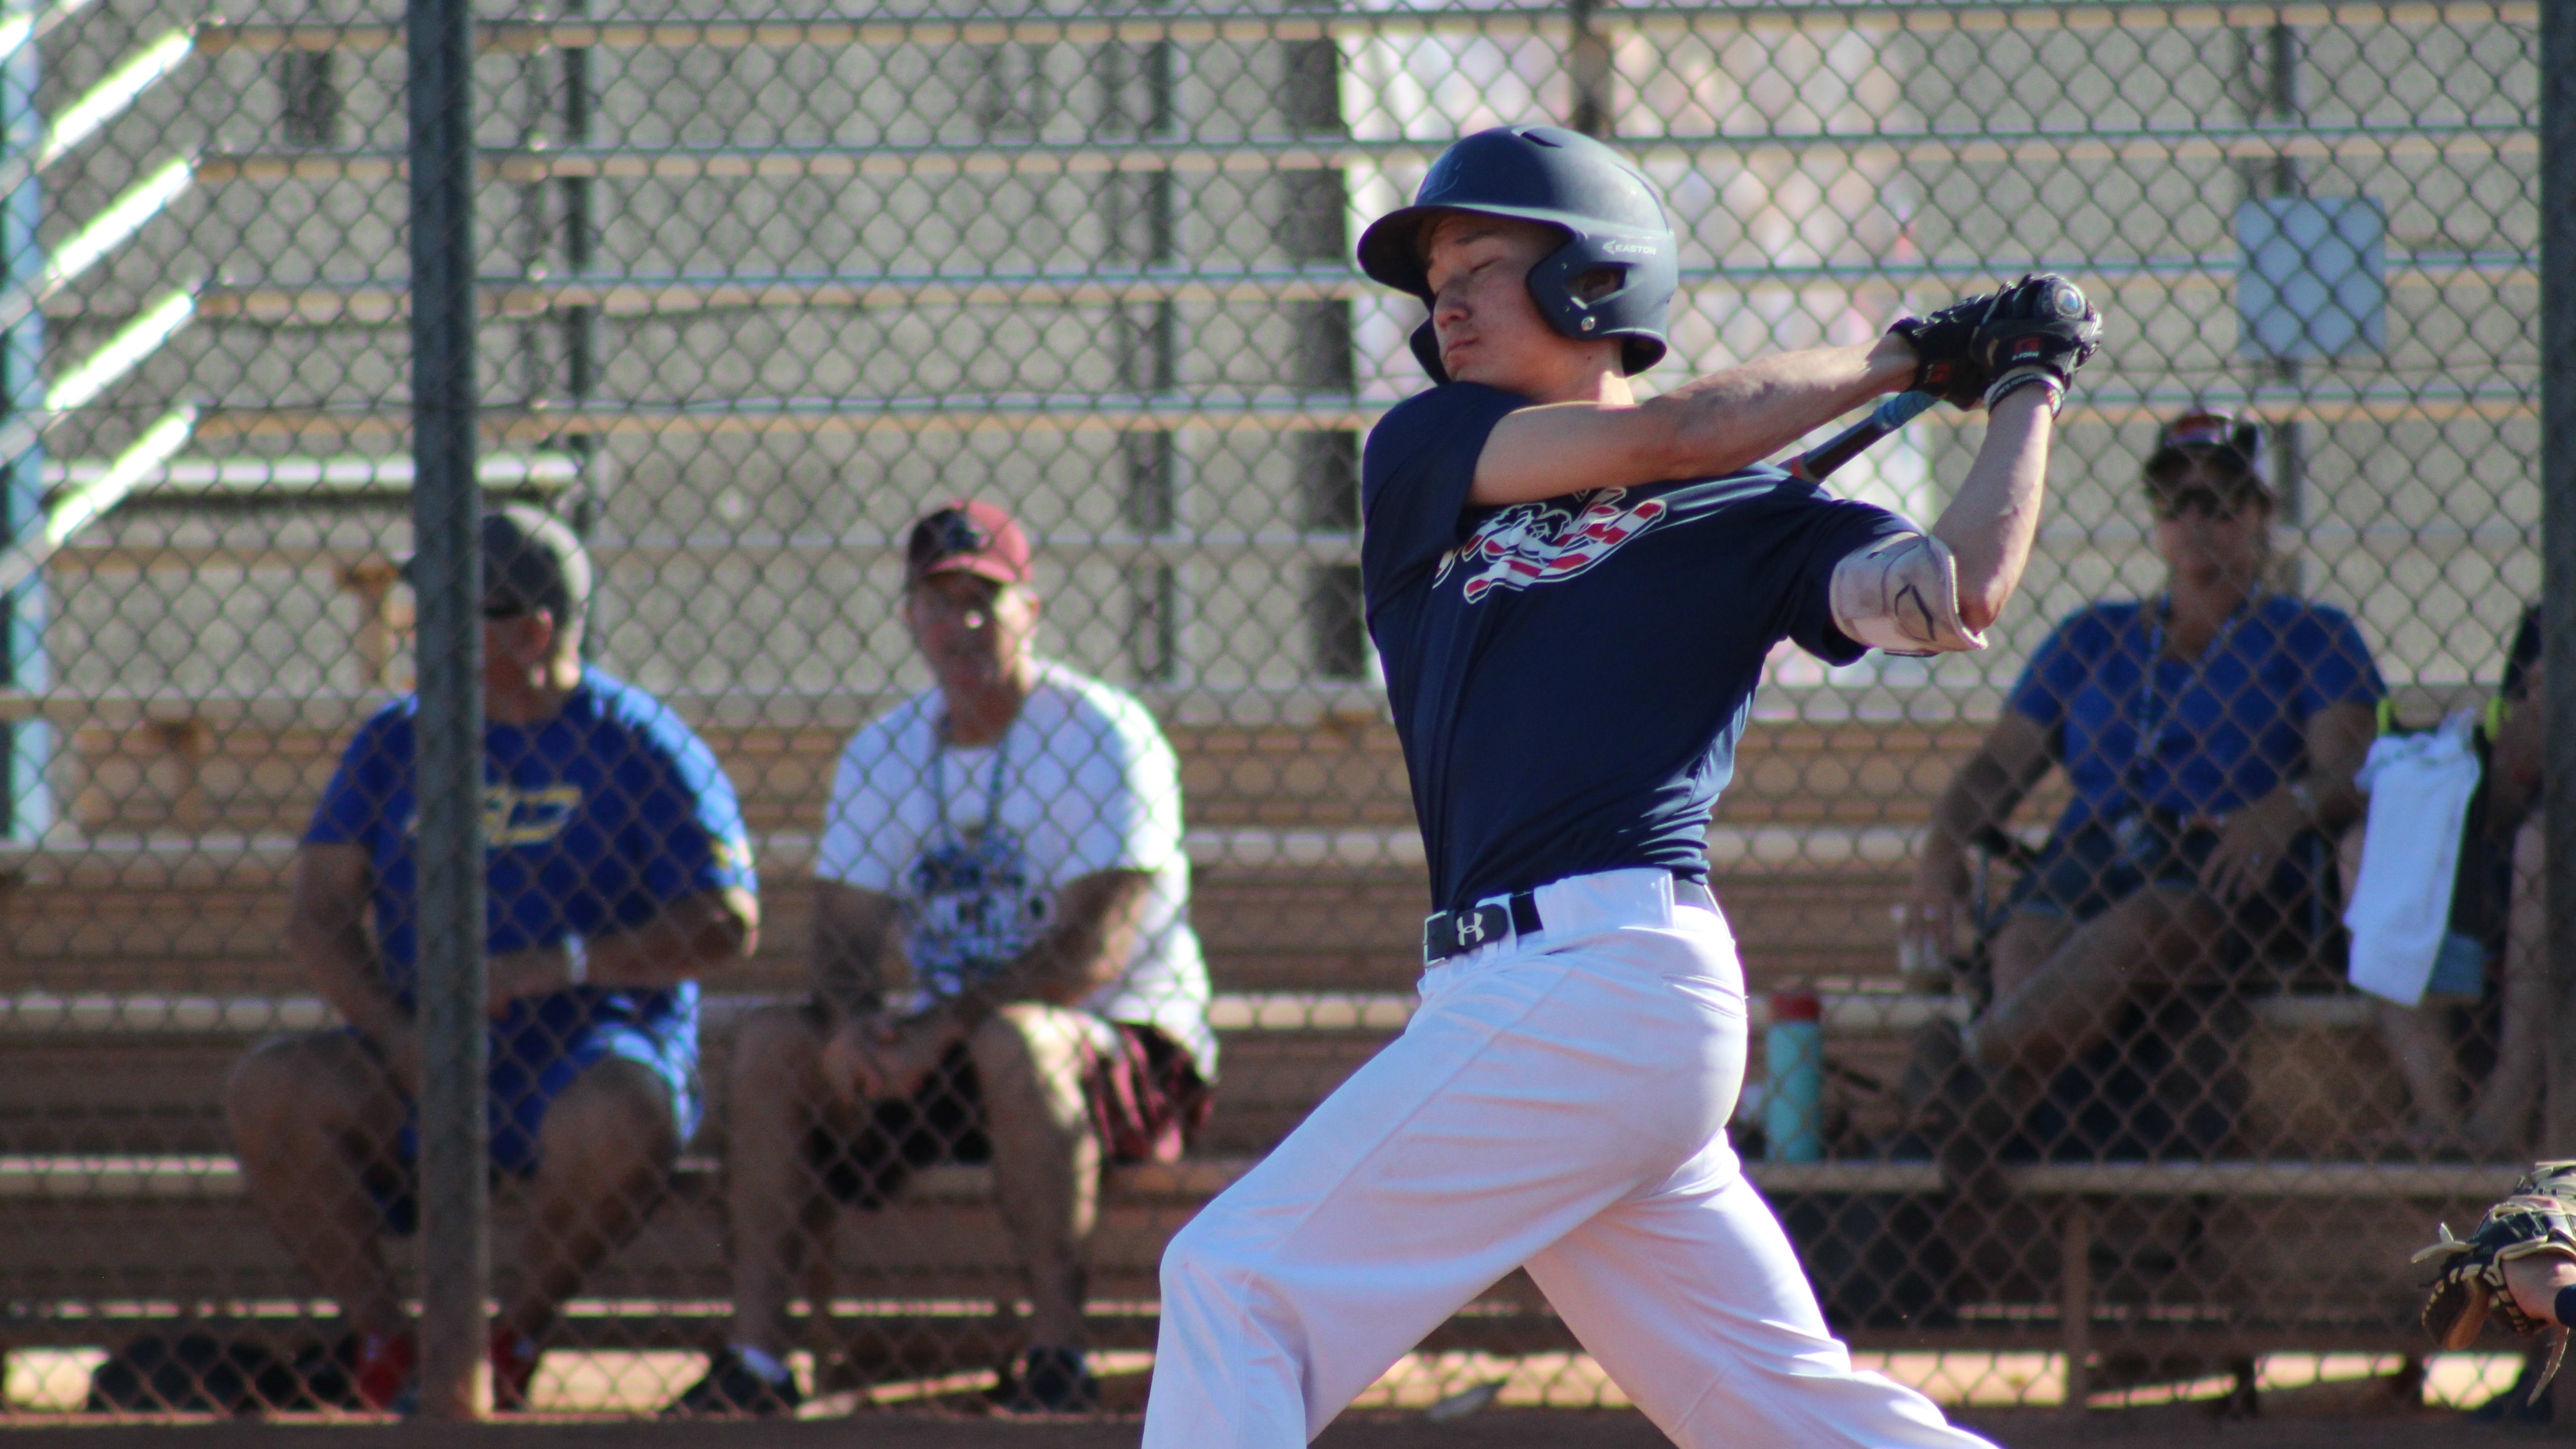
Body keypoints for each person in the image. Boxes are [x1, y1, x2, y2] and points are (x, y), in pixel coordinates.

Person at [1142, 124, 2096, 1448]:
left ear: (1593, 281)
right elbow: (1668, 434)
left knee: (1235, 1283)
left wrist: (2026, 387)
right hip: (1531, 1000)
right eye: (1438, 280)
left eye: (1482, 262)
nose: (1448, 301)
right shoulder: (1429, 458)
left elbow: (1953, 593)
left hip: (1601, 974)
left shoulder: (1751, 517)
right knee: (1783, 1410)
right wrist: (1903, 356)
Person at [667, 500, 1214, 1417]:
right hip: (945, 1045)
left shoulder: (1104, 734)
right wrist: (851, 1027)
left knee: (1018, 1041)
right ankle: (755, 1362)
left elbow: (1092, 947)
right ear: (907, 615)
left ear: (1028, 611)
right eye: (936, 600)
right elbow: (840, 933)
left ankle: (1056, 1359)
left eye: (982, 599)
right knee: (771, 1046)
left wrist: (934, 1030)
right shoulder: (884, 749)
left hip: (1118, 1044)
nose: (959, 622)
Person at [224, 506, 760, 1411]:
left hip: (587, 1056)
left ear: (529, 631)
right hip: (421, 1054)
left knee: (618, 1109)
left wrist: (566, 962)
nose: (416, 633)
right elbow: (316, 916)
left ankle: (507, 1346)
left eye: (444, 614)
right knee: (270, 1087)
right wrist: (396, 1034)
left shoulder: (640, 742)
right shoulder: (396, 739)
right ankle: (387, 1345)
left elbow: (727, 922)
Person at [1904, 408, 2384, 1166]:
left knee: (2146, 921)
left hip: (2226, 868)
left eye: (2222, 497)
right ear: (2156, 515)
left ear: (2261, 514)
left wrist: (2283, 808)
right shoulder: (2094, 635)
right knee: (2026, 938)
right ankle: (2005, 1126)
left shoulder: (2312, 634)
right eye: (2177, 498)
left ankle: (1960, 1073)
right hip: (2096, 856)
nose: (2197, 517)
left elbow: (2351, 768)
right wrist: (1940, 849)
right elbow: (1998, 768)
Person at [2353, 604, 2545, 1154]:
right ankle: (2439, 1116)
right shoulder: (2551, 612)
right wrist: (2523, 750)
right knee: (2364, 844)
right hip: (2534, 830)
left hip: (2548, 853)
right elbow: (2507, 802)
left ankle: (2503, 1116)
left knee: (2542, 846)